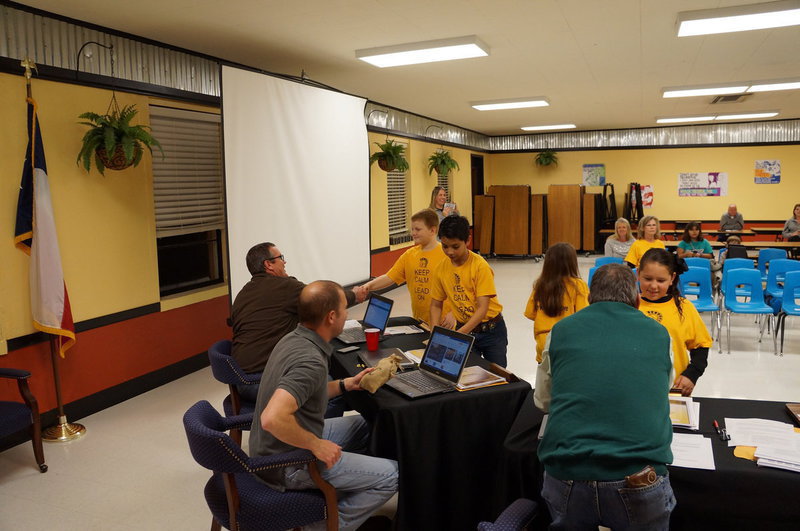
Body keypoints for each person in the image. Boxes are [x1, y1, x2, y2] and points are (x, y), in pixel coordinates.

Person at [534, 263, 675, 530]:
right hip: (639, 475)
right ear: (636, 299)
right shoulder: (659, 334)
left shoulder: (561, 331)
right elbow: (661, 390)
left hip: (567, 473)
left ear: (589, 299)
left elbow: (543, 401)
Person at [250, 281, 398, 531]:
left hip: (273, 446)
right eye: (344, 309)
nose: (347, 314)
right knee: (393, 475)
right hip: (287, 462)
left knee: (367, 423)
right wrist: (316, 445)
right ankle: (325, 526)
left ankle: (346, 488)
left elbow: (305, 391)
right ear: (331, 317)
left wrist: (345, 385)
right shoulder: (309, 360)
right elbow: (272, 418)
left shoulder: (293, 338)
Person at [231, 242, 366, 402]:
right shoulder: (284, 287)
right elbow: (321, 299)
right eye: (280, 258)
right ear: (269, 264)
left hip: (243, 378)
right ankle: (318, 427)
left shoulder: (243, 293)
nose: (284, 262)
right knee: (334, 391)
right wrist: (354, 295)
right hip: (262, 380)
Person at [430, 215, 508, 367]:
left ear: (468, 241)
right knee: (466, 374)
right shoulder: (441, 269)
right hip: (463, 327)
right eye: (445, 246)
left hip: (491, 331)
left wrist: (458, 336)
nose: (450, 252)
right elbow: (435, 304)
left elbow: (482, 308)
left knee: (497, 376)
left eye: (455, 246)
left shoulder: (480, 267)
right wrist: (435, 333)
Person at [359, 209, 455, 328]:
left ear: (433, 230)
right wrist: (368, 287)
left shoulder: (447, 254)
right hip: (420, 322)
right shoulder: (409, 255)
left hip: (445, 322)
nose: (413, 233)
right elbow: (390, 277)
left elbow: (464, 288)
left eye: (418, 229)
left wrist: (454, 313)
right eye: (412, 229)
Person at [638, 248, 712, 396]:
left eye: (660, 280)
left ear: (672, 278)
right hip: (636, 388)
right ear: (638, 274)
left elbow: (701, 346)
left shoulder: (684, 307)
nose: (653, 286)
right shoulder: (629, 305)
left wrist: (691, 375)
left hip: (674, 389)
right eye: (647, 279)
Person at [524, 243, 589, 363]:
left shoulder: (540, 284)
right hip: (567, 343)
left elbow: (530, 313)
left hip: (543, 343)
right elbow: (583, 316)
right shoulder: (578, 286)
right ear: (572, 263)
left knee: (544, 379)